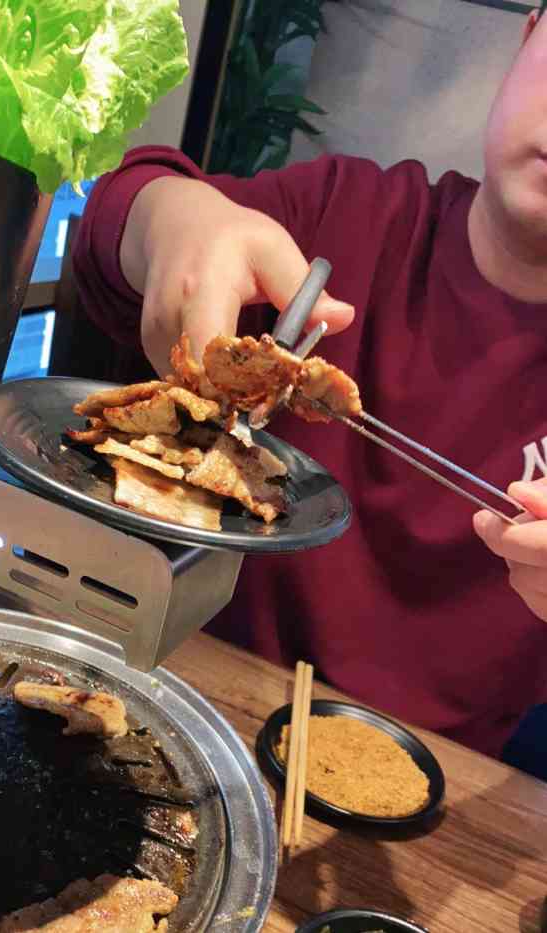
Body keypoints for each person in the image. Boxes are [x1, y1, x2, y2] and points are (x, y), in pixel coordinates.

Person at [72, 7, 547, 761]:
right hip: (186, 707)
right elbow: (114, 221)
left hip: (444, 793)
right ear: (528, 39)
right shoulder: (350, 216)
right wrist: (168, 219)